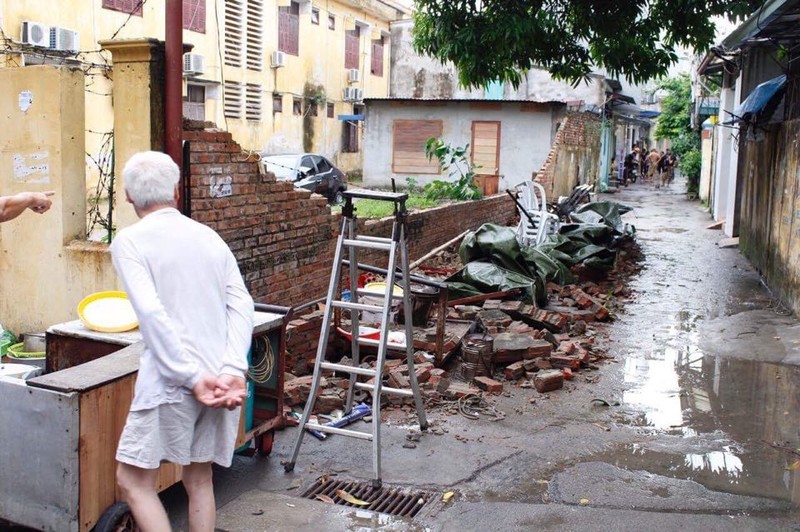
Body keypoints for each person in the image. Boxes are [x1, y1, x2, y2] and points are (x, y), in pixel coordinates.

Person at [111, 151, 254, 531]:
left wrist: (190, 376)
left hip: (171, 383)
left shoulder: (130, 241)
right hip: (218, 378)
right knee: (199, 478)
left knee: (133, 481)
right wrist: (231, 369)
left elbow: (152, 314)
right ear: (176, 190)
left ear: (128, 196)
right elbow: (242, 303)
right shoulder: (208, 236)